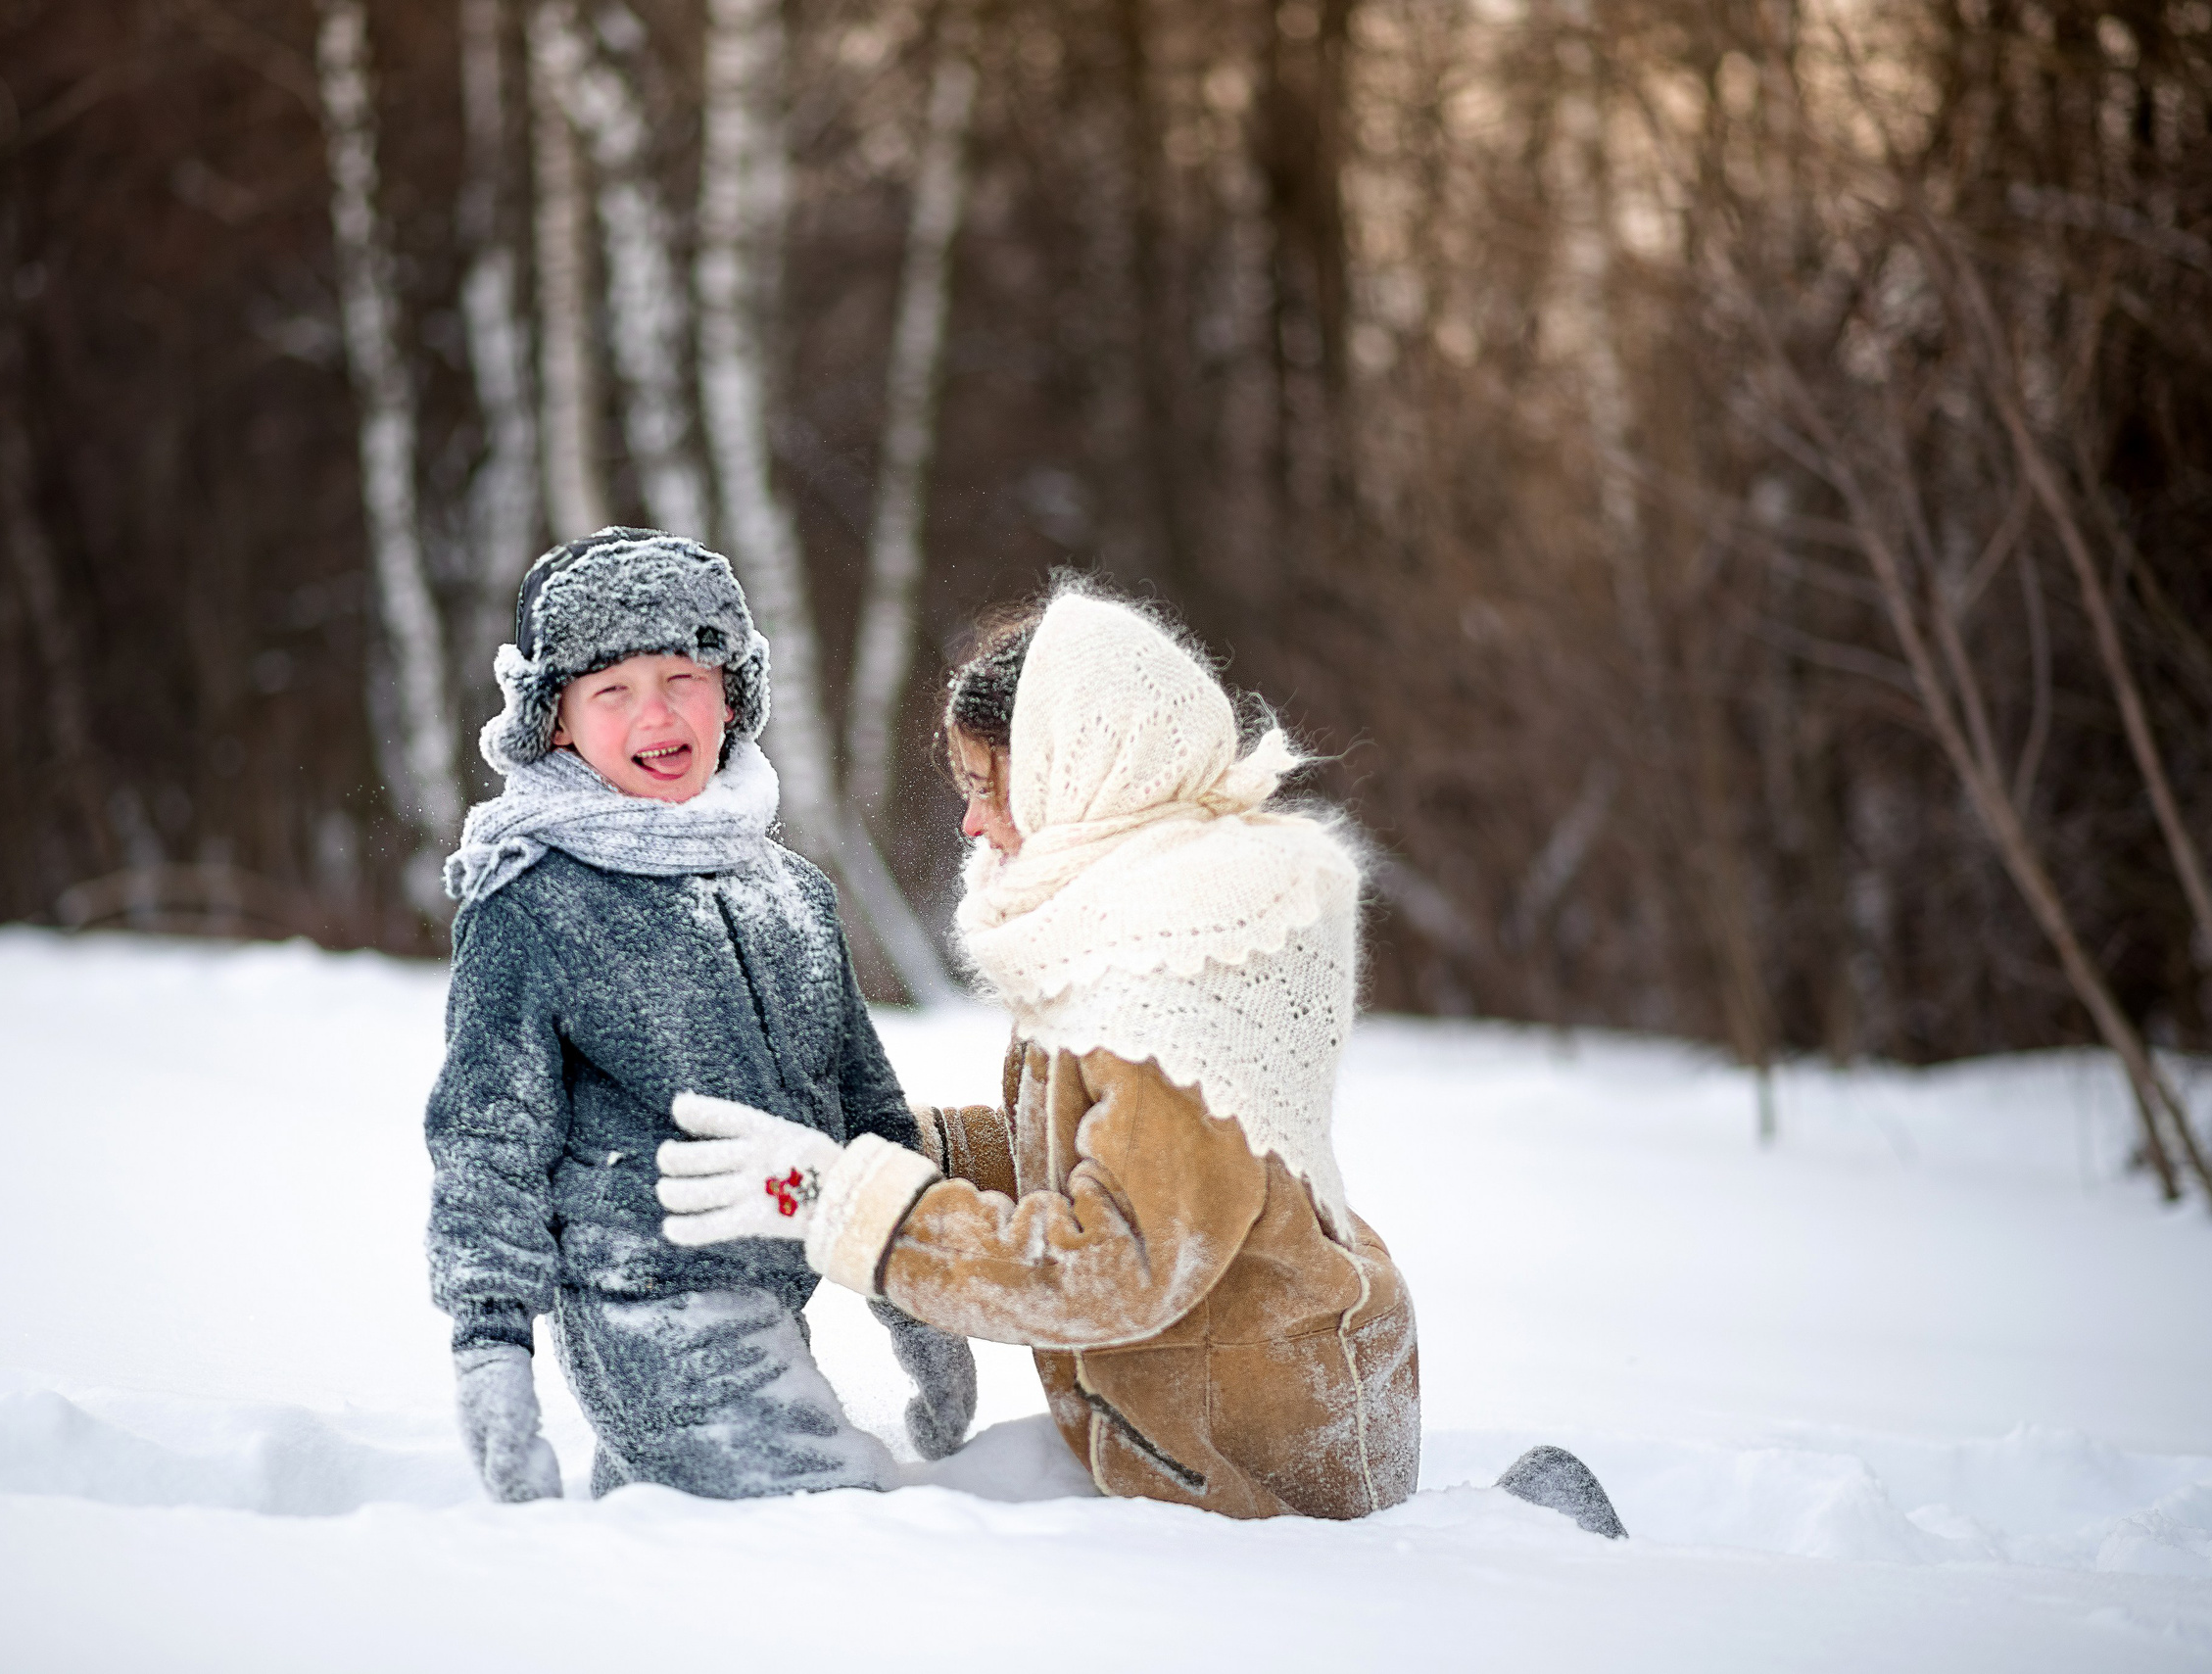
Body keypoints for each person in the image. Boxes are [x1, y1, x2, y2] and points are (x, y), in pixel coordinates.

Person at [660, 587, 1624, 1534]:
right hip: (1182, 1414)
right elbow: (1087, 1145)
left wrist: (855, 1209)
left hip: (1255, 1451)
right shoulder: (1121, 910)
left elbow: (1116, 1260)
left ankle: (1518, 1533)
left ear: (1081, 771)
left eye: (992, 786)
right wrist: (900, 1149)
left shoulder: (1167, 966)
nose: (972, 823)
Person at [426, 527, 974, 1504]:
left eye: (682, 675)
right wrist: (489, 1347)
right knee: (833, 1525)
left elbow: (864, 1104)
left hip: (776, 1287)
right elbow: (486, 1138)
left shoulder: (789, 891)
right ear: (555, 723)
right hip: (644, 1300)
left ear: (733, 692)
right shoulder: (536, 900)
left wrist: (917, 1295)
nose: (657, 712)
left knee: (684, 1545)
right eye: (612, 690)